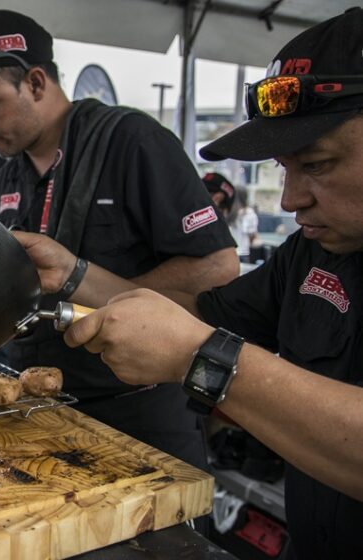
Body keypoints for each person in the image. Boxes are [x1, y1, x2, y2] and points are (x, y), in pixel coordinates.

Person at [20, 8, 363, 558]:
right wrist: (74, 274)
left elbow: (198, 341)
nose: (290, 199)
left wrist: (203, 360)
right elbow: (203, 313)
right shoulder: (313, 251)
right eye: (284, 169)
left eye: (317, 165)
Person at [0, 8, 239, 471]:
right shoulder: (5, 174)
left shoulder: (132, 141)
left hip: (135, 415)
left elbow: (218, 270)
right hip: (31, 405)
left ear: (34, 82)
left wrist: (82, 277)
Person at [203, 172, 259, 263]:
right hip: (240, 254)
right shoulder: (249, 213)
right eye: (223, 209)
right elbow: (252, 237)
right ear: (218, 198)